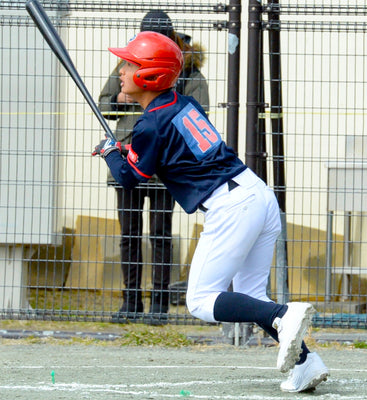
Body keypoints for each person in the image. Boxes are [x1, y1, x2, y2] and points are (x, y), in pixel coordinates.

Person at [93, 31, 329, 392]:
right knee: (252, 295)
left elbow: (128, 179)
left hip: (232, 206)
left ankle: (284, 315)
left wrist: (111, 150)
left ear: (148, 75)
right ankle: (307, 363)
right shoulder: (179, 103)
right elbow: (160, 154)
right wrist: (125, 150)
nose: (121, 70)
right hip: (255, 193)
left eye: (129, 64)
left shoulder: (150, 123)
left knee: (201, 301)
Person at [98, 10, 209, 324]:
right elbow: (104, 103)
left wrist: (155, 98)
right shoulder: (127, 64)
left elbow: (200, 117)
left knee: (160, 235)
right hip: (126, 159)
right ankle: (130, 301)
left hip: (163, 168)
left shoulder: (186, 72)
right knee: (129, 235)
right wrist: (124, 99)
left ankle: (159, 303)